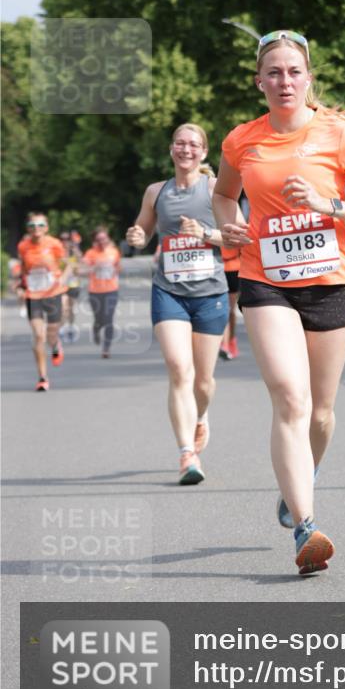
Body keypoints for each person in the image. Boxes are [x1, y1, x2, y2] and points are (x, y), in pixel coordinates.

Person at [213, 30, 345, 575]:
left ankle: (296, 488)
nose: (284, 81)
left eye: (293, 71)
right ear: (258, 82)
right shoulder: (242, 140)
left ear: (309, 77)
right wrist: (229, 226)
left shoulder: (338, 134)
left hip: (331, 282)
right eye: (274, 72)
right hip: (266, 279)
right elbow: (223, 195)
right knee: (289, 399)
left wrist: (328, 203)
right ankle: (307, 529)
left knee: (320, 412)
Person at [126, 124, 230, 485]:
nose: (185, 149)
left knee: (203, 381)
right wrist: (138, 236)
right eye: (179, 144)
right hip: (168, 289)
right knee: (177, 368)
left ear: (203, 153)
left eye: (193, 145)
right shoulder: (157, 191)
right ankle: (187, 453)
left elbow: (239, 237)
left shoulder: (216, 188)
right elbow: (143, 230)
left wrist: (203, 233)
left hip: (210, 292)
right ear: (172, 150)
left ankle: (201, 417)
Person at [15, 213, 67, 391]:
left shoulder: (54, 244)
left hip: (53, 293)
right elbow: (23, 268)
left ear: (46, 227)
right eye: (32, 225)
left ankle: (55, 345)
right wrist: (21, 285)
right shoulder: (23, 246)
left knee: (51, 333)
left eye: (40, 225)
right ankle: (43, 377)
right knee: (38, 335)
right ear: (27, 228)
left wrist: (63, 279)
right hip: (33, 294)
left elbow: (67, 264)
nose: (36, 228)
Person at [81, 227, 122, 358]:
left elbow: (118, 267)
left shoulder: (114, 251)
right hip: (95, 291)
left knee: (109, 319)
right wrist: (94, 267)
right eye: (99, 240)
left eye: (104, 238)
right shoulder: (90, 253)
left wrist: (116, 270)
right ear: (95, 241)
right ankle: (96, 329)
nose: (102, 241)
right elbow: (82, 270)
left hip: (111, 290)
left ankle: (106, 349)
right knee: (100, 319)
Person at [59, 231, 82, 342]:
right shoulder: (57, 252)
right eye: (62, 239)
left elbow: (80, 266)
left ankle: (71, 326)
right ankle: (62, 328)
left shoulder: (74, 252)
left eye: (67, 239)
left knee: (71, 308)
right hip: (61, 285)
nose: (65, 242)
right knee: (64, 308)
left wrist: (73, 262)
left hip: (73, 283)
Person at [219, 246, 241, 360]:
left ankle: (231, 341)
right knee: (224, 308)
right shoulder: (208, 228)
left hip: (233, 268)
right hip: (217, 268)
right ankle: (225, 344)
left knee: (230, 310)